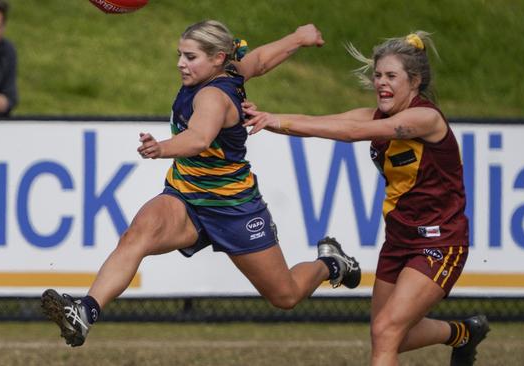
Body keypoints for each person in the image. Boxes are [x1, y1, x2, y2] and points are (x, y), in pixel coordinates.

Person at [41, 20, 361, 347]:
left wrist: (162, 148)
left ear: (218, 58)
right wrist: (297, 38)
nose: (181, 63)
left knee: (286, 296)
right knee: (135, 236)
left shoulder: (213, 97)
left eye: (190, 57)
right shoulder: (230, 72)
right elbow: (261, 60)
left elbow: (198, 139)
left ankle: (331, 263)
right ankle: (86, 311)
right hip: (186, 198)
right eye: (180, 54)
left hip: (233, 209)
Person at [243, 32, 490, 366]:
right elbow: (322, 123)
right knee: (388, 334)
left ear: (414, 81)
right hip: (399, 239)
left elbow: (351, 133)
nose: (381, 84)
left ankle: (461, 333)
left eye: (391, 76)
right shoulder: (375, 115)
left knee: (387, 332)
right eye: (378, 76)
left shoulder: (425, 118)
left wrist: (277, 120)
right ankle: (462, 333)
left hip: (440, 242)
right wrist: (268, 119)